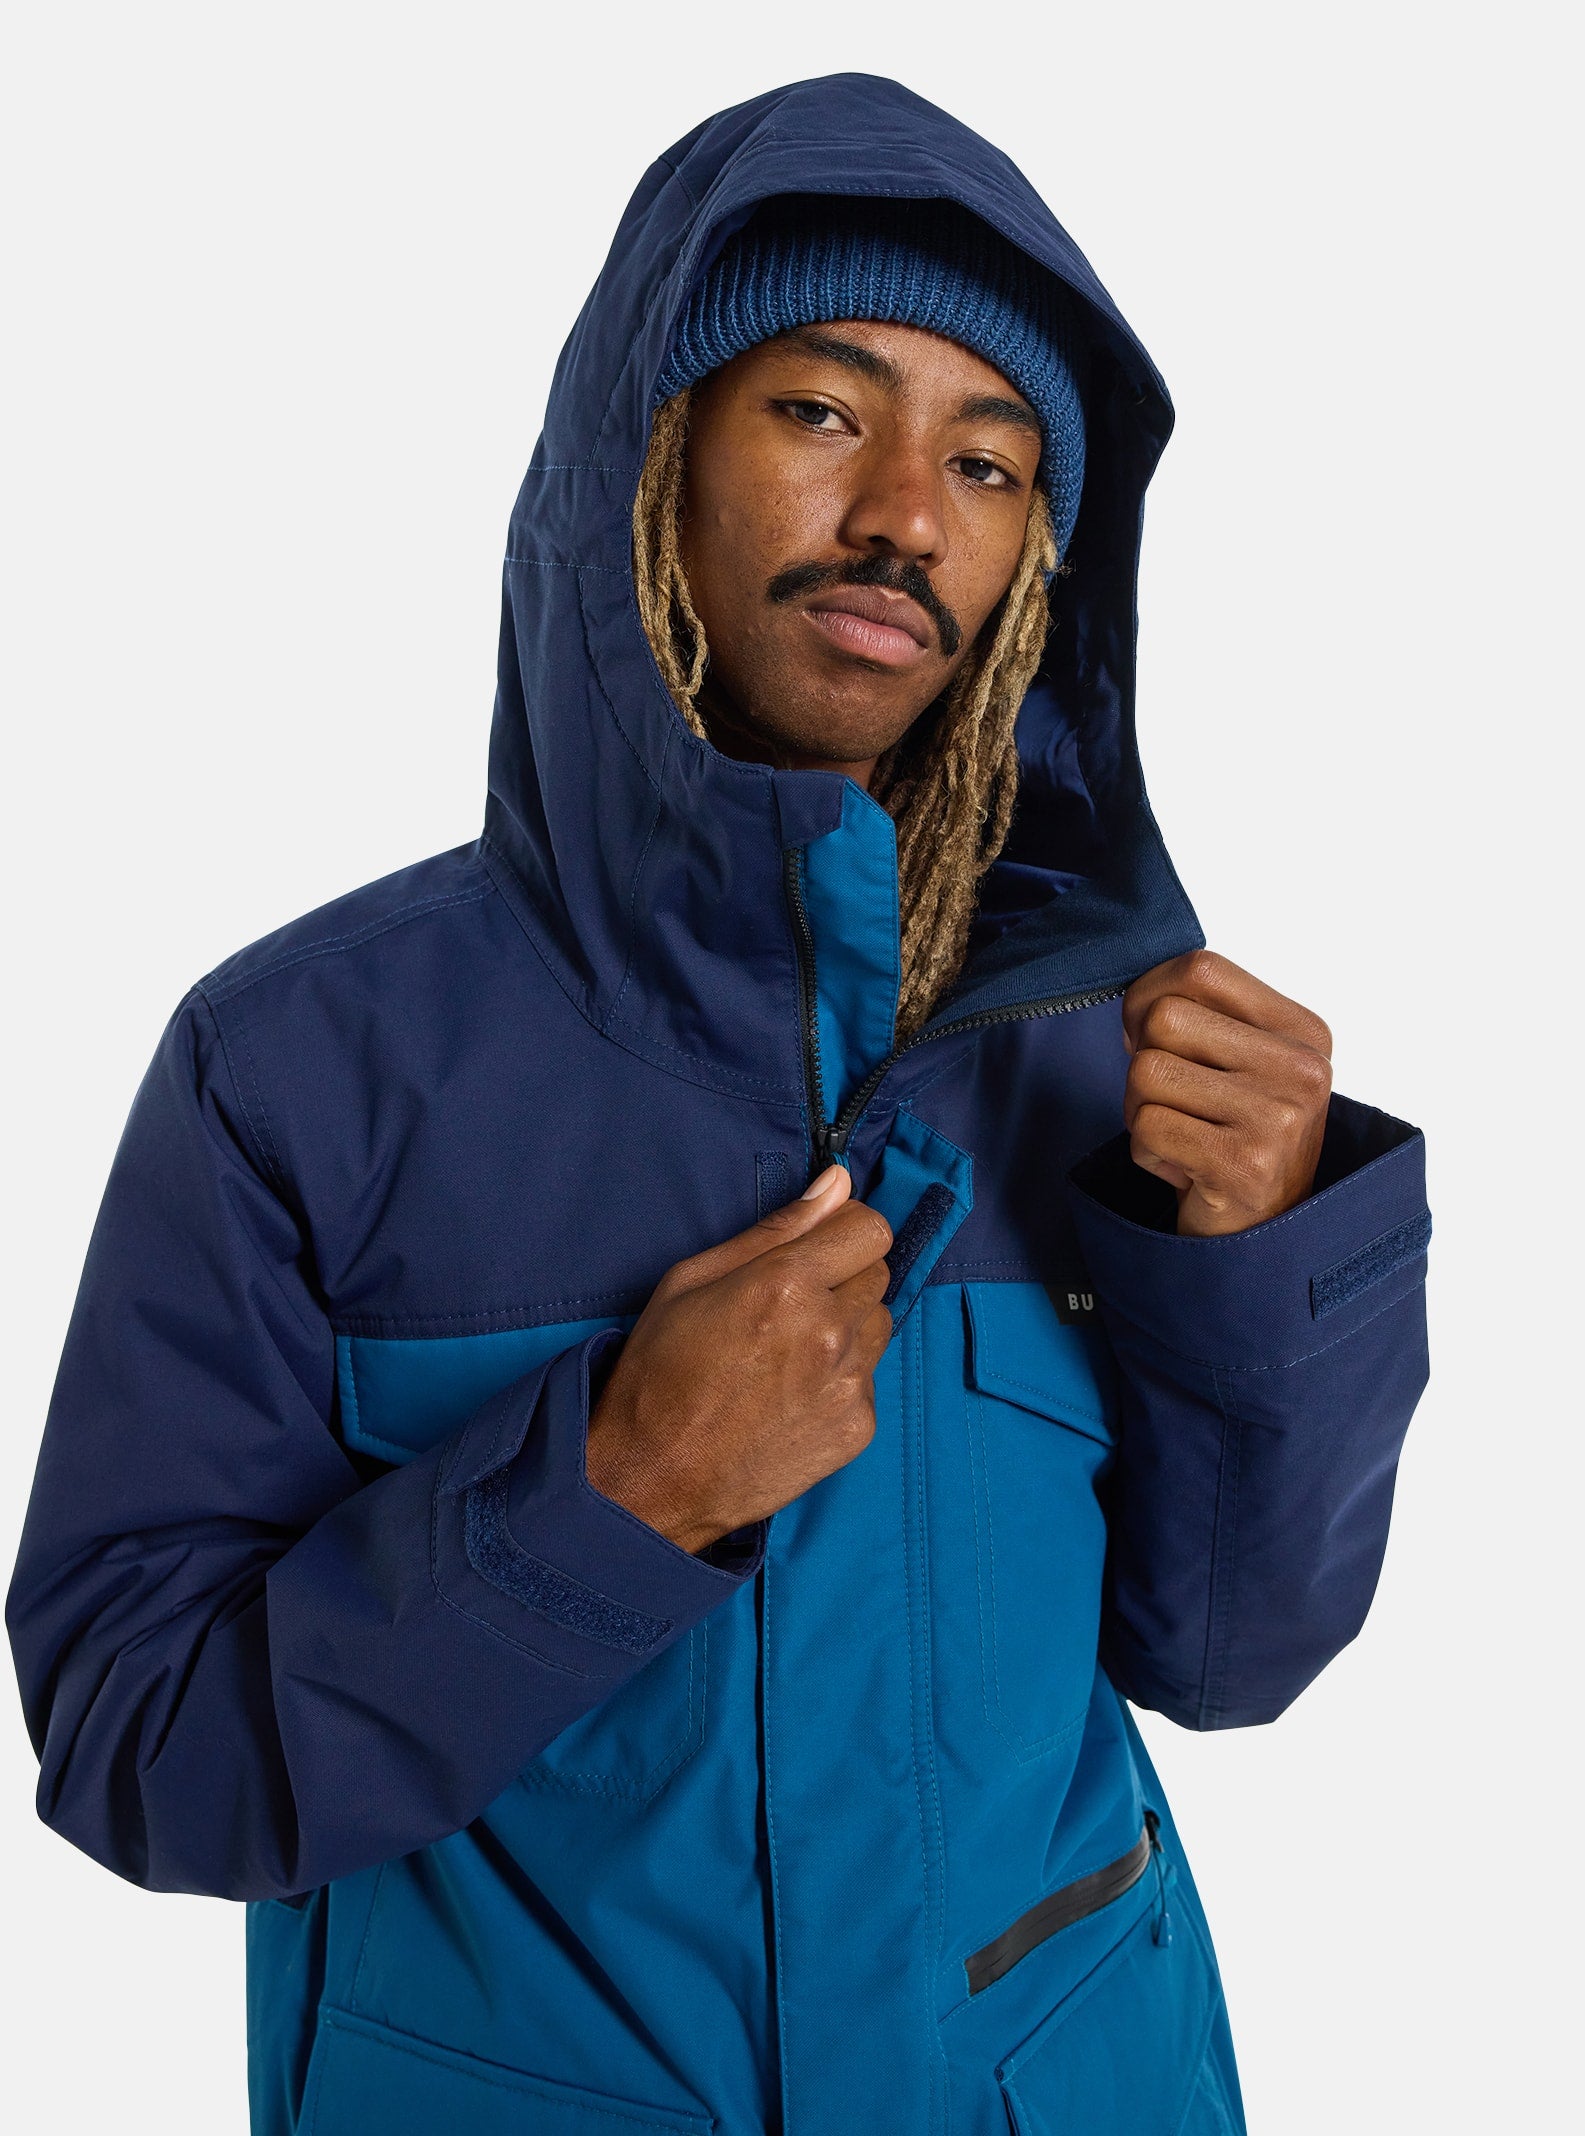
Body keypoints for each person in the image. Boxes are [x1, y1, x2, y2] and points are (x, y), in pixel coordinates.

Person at [7, 72, 1431, 2136]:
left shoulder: (1103, 1058)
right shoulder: (302, 1065)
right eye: (822, 409)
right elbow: (147, 1752)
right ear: (649, 453)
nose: (904, 514)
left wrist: (1268, 1272)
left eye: (988, 462)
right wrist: (611, 1487)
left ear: (1038, 560)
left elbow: (1229, 1659)